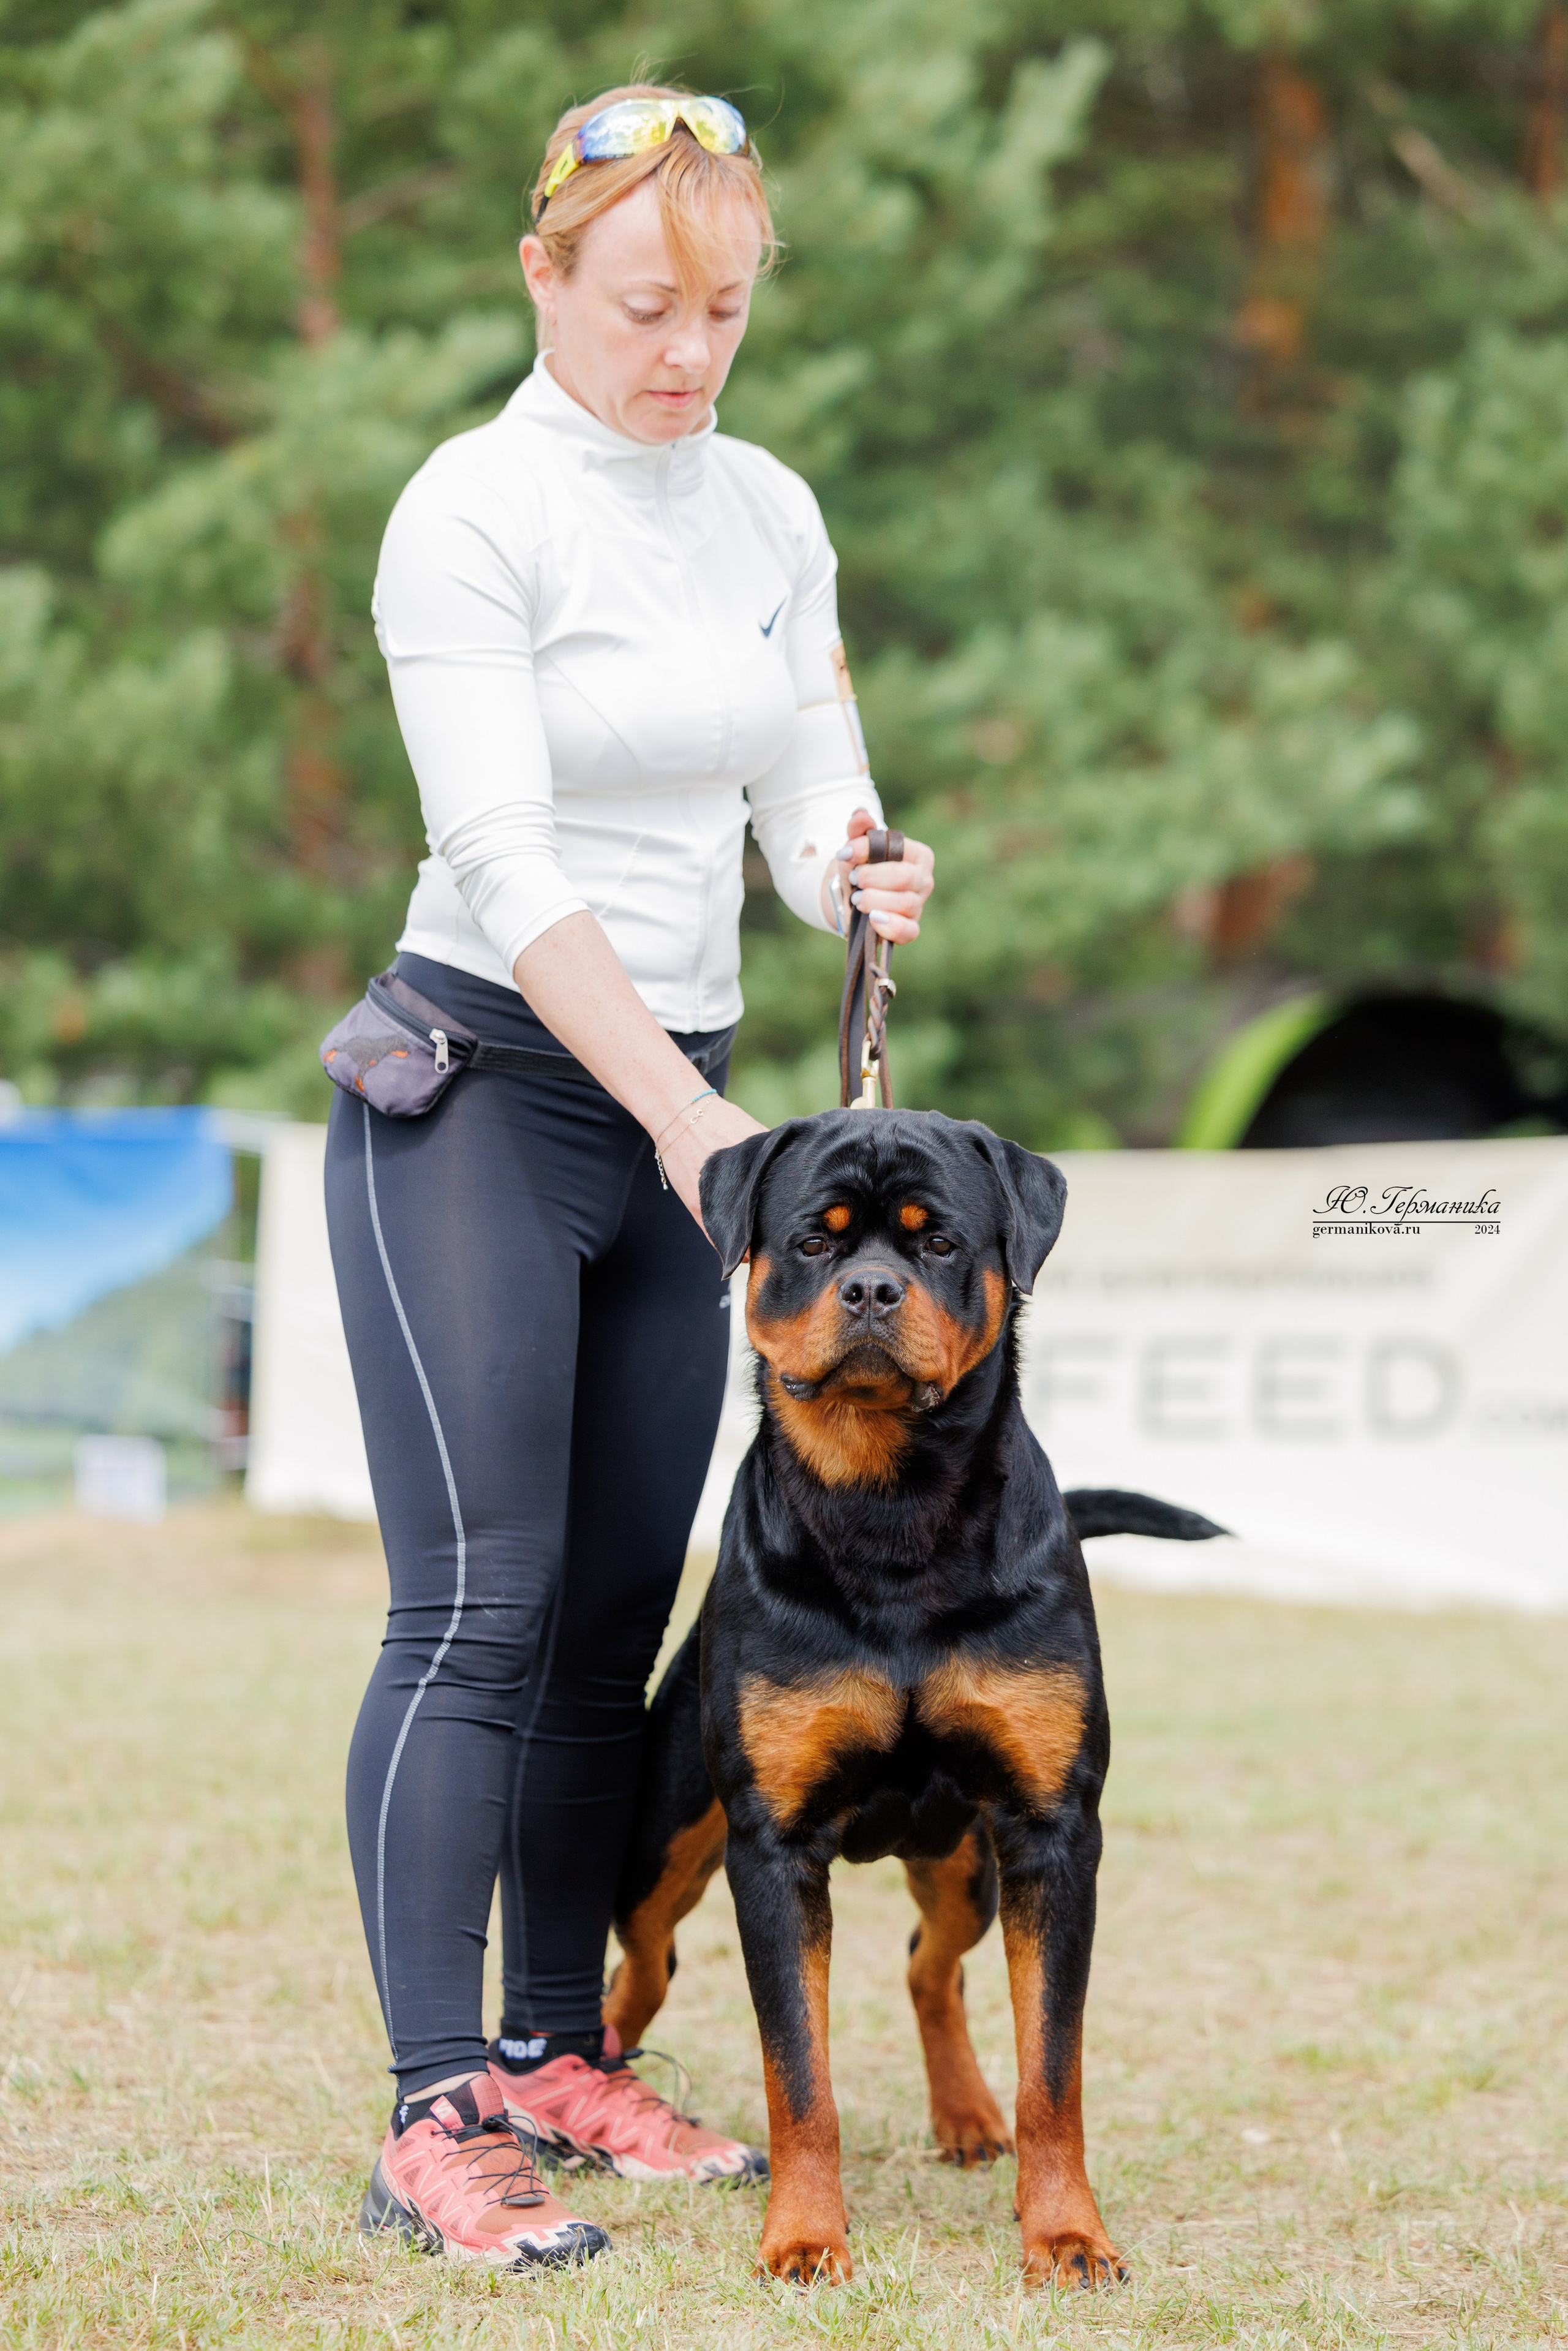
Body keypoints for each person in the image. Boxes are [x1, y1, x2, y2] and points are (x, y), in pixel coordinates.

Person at [325, 83, 937, 2271]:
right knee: (475, 1611)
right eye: (647, 306)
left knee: (608, 1629)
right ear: (545, 279)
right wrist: (691, 1128)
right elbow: (504, 856)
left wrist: (865, 869)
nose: (687, 351)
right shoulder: (470, 512)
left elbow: (804, 802)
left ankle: (558, 2050)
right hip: (487, 1089)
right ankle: (432, 2111)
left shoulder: (768, 509)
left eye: (728, 310)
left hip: (692, 1109)